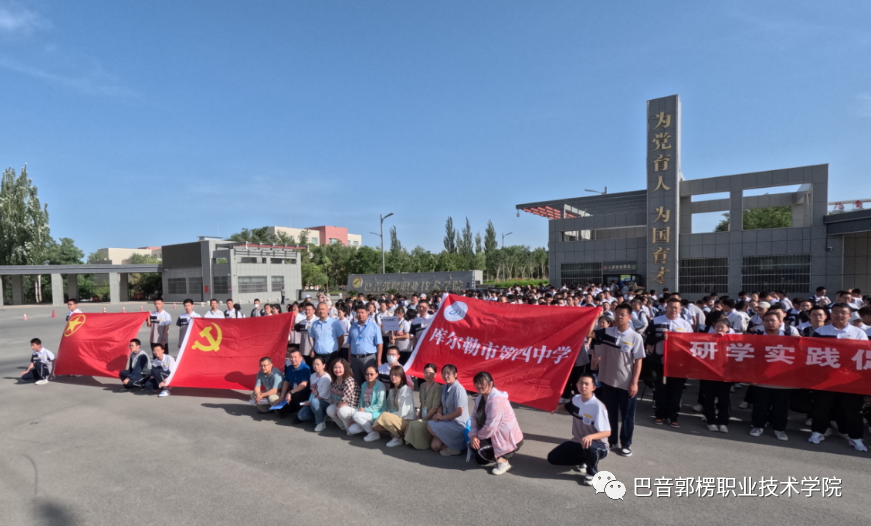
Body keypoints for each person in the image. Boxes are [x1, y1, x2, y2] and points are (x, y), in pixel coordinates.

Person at [807, 303, 869, 451]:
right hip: (825, 377)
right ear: (831, 314)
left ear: (849, 316)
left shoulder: (858, 333)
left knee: (852, 409)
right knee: (821, 407)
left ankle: (856, 438)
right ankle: (818, 432)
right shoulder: (821, 331)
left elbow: (864, 355)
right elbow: (812, 352)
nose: (839, 315)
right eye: (835, 312)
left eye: (843, 312)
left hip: (850, 379)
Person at [590, 303, 644, 456]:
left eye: (622, 314)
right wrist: (594, 316)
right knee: (610, 413)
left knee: (627, 415)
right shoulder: (607, 332)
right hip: (607, 380)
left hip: (626, 383)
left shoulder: (635, 337)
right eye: (617, 313)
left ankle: (626, 444)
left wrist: (634, 382)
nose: (619, 317)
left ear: (629, 317)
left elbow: (638, 361)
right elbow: (589, 333)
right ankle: (612, 441)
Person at [547, 373, 611, 486]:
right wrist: (556, 409)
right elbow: (567, 408)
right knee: (552, 458)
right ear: (576, 385)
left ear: (593, 387)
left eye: (587, 384)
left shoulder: (598, 406)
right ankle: (585, 459)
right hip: (578, 441)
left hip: (599, 445)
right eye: (581, 383)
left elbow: (607, 432)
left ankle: (592, 473)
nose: (583, 386)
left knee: (590, 447)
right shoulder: (576, 399)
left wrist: (590, 436)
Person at [748, 311, 799, 441]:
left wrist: (798, 341)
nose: (770, 323)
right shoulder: (756, 336)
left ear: (780, 322)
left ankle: (779, 429)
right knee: (760, 404)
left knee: (781, 406)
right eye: (766, 320)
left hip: (783, 378)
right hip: (761, 377)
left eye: (773, 320)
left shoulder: (789, 336)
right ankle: (757, 426)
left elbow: (800, 355)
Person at [645, 297, 693, 428]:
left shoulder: (685, 325)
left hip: (678, 364)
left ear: (680, 309)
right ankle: (659, 414)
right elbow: (648, 339)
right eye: (671, 307)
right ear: (666, 307)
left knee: (676, 390)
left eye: (676, 307)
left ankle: (673, 416)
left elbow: (690, 344)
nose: (673, 310)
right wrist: (660, 339)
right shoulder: (656, 321)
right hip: (659, 362)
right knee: (660, 390)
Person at [468, 372, 524, 475]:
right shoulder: (480, 398)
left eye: (482, 383)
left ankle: (504, 460)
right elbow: (474, 417)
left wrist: (476, 437)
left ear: (491, 383)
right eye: (476, 383)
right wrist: (473, 435)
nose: (479, 386)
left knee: (478, 449)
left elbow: (491, 427)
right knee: (478, 456)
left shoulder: (497, 400)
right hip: (490, 435)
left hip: (506, 438)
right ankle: (496, 454)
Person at [427, 364, 469, 456]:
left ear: (455, 374)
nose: (445, 376)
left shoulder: (459, 389)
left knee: (430, 425)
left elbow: (459, 412)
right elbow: (441, 404)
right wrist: (438, 414)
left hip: (458, 424)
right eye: (443, 373)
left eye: (448, 373)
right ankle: (452, 445)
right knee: (435, 446)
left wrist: (442, 417)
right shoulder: (443, 387)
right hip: (446, 421)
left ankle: (457, 447)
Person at [700, 319, 733, 433]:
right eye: (717, 326)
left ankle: (723, 422)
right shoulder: (708, 338)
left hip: (725, 374)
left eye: (722, 327)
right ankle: (711, 421)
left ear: (728, 328)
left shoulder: (732, 340)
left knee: (724, 399)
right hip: (710, 373)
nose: (719, 329)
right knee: (709, 398)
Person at [372, 365, 416, 446]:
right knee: (376, 427)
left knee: (384, 416)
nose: (393, 377)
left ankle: (397, 437)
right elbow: (389, 405)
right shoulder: (392, 390)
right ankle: (397, 434)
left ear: (401, 376)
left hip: (406, 419)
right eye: (391, 374)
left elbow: (404, 412)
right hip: (396, 417)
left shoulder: (406, 389)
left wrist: (389, 416)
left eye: (396, 375)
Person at [405, 363, 443, 450]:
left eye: (431, 373)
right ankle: (412, 441)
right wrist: (418, 416)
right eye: (426, 373)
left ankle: (421, 444)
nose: (428, 375)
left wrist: (423, 419)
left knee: (415, 425)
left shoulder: (437, 387)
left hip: (431, 418)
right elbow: (422, 403)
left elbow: (435, 408)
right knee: (411, 423)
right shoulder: (422, 386)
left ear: (435, 374)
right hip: (423, 415)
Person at [348, 304, 383, 385]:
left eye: (362, 312)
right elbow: (350, 344)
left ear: (367, 313)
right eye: (358, 312)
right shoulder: (353, 326)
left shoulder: (374, 326)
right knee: (357, 382)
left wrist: (379, 360)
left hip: (368, 358)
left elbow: (379, 344)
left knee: (370, 382)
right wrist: (349, 359)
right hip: (355, 359)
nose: (360, 314)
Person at [349, 366, 386, 437]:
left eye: (371, 374)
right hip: (365, 414)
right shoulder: (364, 385)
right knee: (351, 430)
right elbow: (361, 402)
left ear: (376, 374)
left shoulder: (380, 386)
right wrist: (354, 417)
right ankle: (371, 428)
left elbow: (379, 405)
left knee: (356, 416)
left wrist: (364, 410)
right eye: (367, 374)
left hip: (376, 413)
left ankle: (372, 432)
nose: (369, 376)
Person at [298, 356, 333, 431]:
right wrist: (309, 401)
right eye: (314, 364)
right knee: (301, 416)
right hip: (314, 401)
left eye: (318, 364)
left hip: (325, 402)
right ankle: (322, 416)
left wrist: (309, 402)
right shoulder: (312, 376)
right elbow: (313, 391)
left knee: (314, 401)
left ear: (323, 365)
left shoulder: (327, 378)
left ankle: (320, 423)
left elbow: (321, 396)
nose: (315, 366)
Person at [325, 358, 359, 432]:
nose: (337, 370)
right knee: (329, 409)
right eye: (335, 367)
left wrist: (337, 409)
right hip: (340, 406)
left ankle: (349, 429)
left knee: (341, 411)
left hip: (351, 407)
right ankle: (343, 427)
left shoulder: (349, 380)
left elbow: (345, 399)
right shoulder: (334, 381)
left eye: (340, 367)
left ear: (345, 368)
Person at [276, 349, 311, 420]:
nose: (293, 359)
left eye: (295, 357)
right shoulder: (289, 368)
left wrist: (290, 393)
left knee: (296, 395)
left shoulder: (305, 368)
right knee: (280, 409)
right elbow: (286, 382)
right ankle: (293, 408)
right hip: (293, 392)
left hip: (304, 393)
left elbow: (304, 384)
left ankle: (299, 415)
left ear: (301, 358)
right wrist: (282, 396)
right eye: (291, 357)